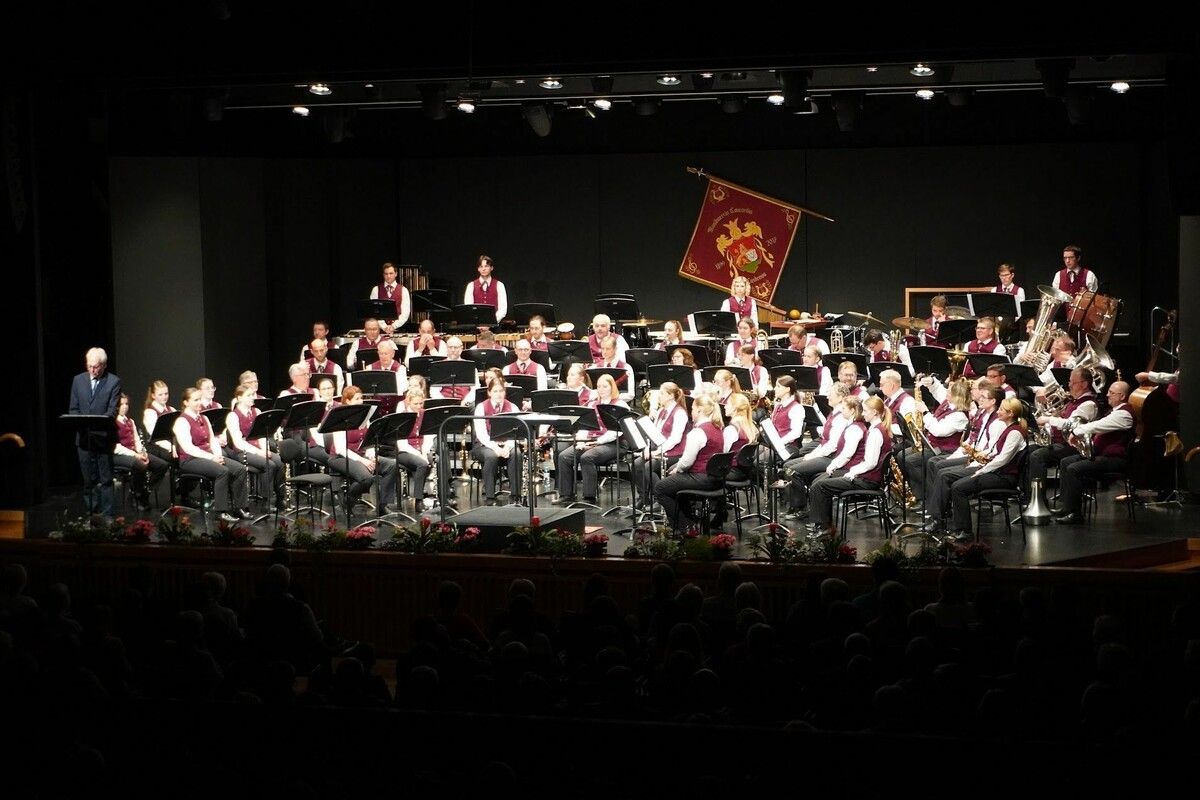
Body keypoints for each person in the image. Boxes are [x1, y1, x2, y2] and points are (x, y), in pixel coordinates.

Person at [943, 397, 1028, 539]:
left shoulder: (1015, 433)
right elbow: (997, 453)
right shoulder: (1008, 429)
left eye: (1002, 410)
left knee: (959, 488)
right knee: (954, 482)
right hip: (997, 473)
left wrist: (981, 470)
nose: (998, 412)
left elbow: (1003, 459)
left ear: (1011, 413)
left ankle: (965, 531)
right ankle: (956, 525)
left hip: (1005, 478)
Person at [807, 395, 892, 538]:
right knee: (819, 480)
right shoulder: (876, 428)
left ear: (875, 413)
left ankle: (824, 526)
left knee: (820, 486)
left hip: (867, 481)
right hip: (866, 477)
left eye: (865, 411)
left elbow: (871, 462)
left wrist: (853, 472)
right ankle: (822, 523)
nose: (863, 413)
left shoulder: (876, 432)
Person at [1052, 381, 1134, 525]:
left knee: (1074, 468)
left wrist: (1077, 431)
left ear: (1122, 396)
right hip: (1102, 456)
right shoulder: (1114, 411)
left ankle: (1075, 513)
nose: (1107, 395)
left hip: (1115, 460)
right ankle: (1067, 506)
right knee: (1066, 462)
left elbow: (1098, 426)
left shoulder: (1124, 414)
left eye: (1112, 392)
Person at [173, 386, 249, 523]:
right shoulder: (181, 421)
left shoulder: (204, 418)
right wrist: (212, 458)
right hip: (190, 460)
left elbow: (212, 440)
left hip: (209, 456)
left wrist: (218, 455)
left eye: (199, 399)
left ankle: (239, 507)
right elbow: (188, 448)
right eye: (195, 400)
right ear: (186, 402)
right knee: (222, 472)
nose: (199, 403)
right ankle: (221, 511)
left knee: (240, 469)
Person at [654, 395, 727, 529]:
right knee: (673, 483)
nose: (691, 412)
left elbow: (687, 462)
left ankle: (685, 526)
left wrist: (678, 469)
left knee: (660, 488)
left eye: (692, 409)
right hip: (716, 478)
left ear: (699, 410)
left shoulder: (698, 432)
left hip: (702, 478)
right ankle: (688, 519)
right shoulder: (718, 428)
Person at [556, 374, 626, 506]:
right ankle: (566, 495)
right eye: (598, 386)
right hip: (590, 441)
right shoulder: (592, 404)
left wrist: (596, 442)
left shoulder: (619, 404)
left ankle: (589, 497)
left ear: (612, 387)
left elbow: (616, 432)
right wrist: (581, 441)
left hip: (613, 444)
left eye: (605, 386)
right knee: (564, 456)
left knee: (587, 457)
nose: (601, 389)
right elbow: (584, 427)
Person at [326, 385, 397, 516]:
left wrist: (371, 456)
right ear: (347, 401)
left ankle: (382, 505)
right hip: (340, 457)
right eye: (357, 399)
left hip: (362, 455)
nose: (361, 401)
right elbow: (341, 448)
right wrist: (363, 461)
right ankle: (347, 501)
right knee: (366, 478)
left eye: (361, 398)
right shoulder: (340, 417)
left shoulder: (365, 416)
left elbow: (369, 440)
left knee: (391, 465)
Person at [1027, 367, 1098, 491]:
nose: (1069, 385)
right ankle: (1027, 494)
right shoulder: (1073, 400)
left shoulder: (1088, 404)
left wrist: (1048, 419)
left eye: (1072, 382)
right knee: (1027, 450)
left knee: (1038, 456)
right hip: (1061, 442)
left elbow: (1072, 424)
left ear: (1084, 384)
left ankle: (1038, 499)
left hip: (1074, 446)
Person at [69, 347, 121, 516]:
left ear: (104, 365)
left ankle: (107, 517)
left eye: (96, 366)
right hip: (84, 439)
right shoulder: (78, 380)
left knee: (106, 480)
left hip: (104, 438)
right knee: (88, 480)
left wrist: (96, 424)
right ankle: (93, 513)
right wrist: (83, 424)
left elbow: (111, 411)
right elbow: (74, 408)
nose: (91, 370)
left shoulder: (113, 382)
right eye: (89, 366)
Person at [225, 385, 284, 508]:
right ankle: (266, 501)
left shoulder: (256, 412)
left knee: (279, 461)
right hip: (242, 452)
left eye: (253, 395)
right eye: (249, 395)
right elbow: (238, 442)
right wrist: (259, 452)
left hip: (258, 449)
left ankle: (280, 498)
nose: (253, 398)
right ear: (239, 397)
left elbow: (261, 434)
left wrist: (264, 449)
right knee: (269, 464)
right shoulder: (233, 416)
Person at [471, 379, 522, 505]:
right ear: (489, 393)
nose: (498, 394)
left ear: (505, 392)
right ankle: (490, 497)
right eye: (495, 391)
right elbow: (481, 434)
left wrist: (507, 446)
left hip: (507, 443)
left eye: (501, 391)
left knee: (516, 453)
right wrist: (495, 447)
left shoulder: (513, 407)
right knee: (491, 456)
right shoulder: (481, 407)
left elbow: (516, 432)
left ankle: (516, 495)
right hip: (485, 444)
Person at [113, 392, 167, 511]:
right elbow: (116, 447)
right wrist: (136, 455)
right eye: (121, 404)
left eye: (126, 404)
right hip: (118, 455)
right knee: (140, 465)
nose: (125, 406)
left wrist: (142, 452)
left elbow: (136, 440)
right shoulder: (112, 422)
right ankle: (137, 494)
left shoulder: (130, 421)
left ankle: (145, 492)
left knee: (162, 465)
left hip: (134, 453)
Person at [635, 381, 689, 495]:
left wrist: (656, 453)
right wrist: (647, 448)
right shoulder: (660, 411)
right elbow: (654, 433)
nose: (659, 396)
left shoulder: (680, 413)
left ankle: (660, 496)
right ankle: (643, 497)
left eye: (662, 394)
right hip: (659, 451)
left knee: (649, 467)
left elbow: (675, 439)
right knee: (637, 464)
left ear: (670, 396)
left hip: (674, 453)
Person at [393, 388, 436, 510]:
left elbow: (428, 436)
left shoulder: (425, 414)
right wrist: (419, 454)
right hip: (405, 452)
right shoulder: (402, 417)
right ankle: (419, 499)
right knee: (422, 463)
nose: (418, 406)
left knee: (437, 458)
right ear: (408, 402)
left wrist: (424, 451)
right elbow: (402, 444)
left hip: (421, 449)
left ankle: (443, 496)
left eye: (420, 403)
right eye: (415, 403)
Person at [464, 254, 507, 324]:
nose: (483, 269)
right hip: (476, 326)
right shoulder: (471, 286)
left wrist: (491, 322)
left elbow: (503, 309)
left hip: (494, 326)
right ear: (478, 269)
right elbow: (469, 309)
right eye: (481, 266)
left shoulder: (499, 285)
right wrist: (478, 323)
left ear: (491, 268)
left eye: (486, 266)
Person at [370, 262, 411, 332]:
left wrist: (394, 326)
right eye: (386, 274)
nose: (388, 276)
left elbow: (405, 313)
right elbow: (374, 311)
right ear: (383, 275)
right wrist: (384, 327)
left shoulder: (404, 290)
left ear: (396, 274)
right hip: (380, 330)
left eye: (391, 273)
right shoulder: (376, 290)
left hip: (399, 329)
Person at [142, 379, 176, 462]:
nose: (164, 397)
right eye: (160, 394)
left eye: (166, 394)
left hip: (172, 444)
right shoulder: (150, 412)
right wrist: (171, 447)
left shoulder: (172, 409)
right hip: (157, 446)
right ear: (153, 395)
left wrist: (175, 446)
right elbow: (156, 437)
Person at [593, 335, 635, 401]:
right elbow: (593, 390)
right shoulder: (595, 367)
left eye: (608, 348)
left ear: (615, 349)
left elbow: (630, 394)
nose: (604, 352)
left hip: (618, 404)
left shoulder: (626, 368)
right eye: (602, 348)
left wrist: (611, 398)